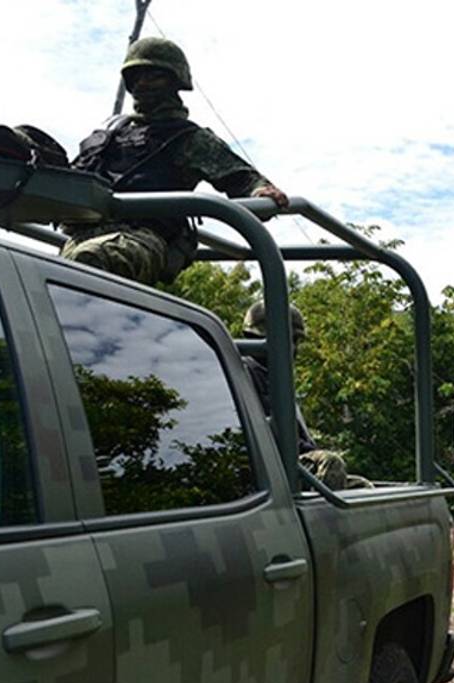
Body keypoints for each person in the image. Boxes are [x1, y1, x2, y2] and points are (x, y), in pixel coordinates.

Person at [61, 37, 289, 285]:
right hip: (81, 237)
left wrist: (260, 191)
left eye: (153, 76)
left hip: (141, 239)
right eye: (136, 77)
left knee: (90, 261)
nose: (142, 84)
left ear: (175, 80)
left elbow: (241, 178)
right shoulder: (109, 134)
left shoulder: (188, 138)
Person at [240, 300, 359, 491]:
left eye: (297, 341)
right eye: (291, 340)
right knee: (331, 463)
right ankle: (323, 521)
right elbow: (269, 432)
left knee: (361, 487)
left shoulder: (275, 376)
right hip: (272, 464)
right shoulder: (247, 372)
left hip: (290, 459)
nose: (295, 349)